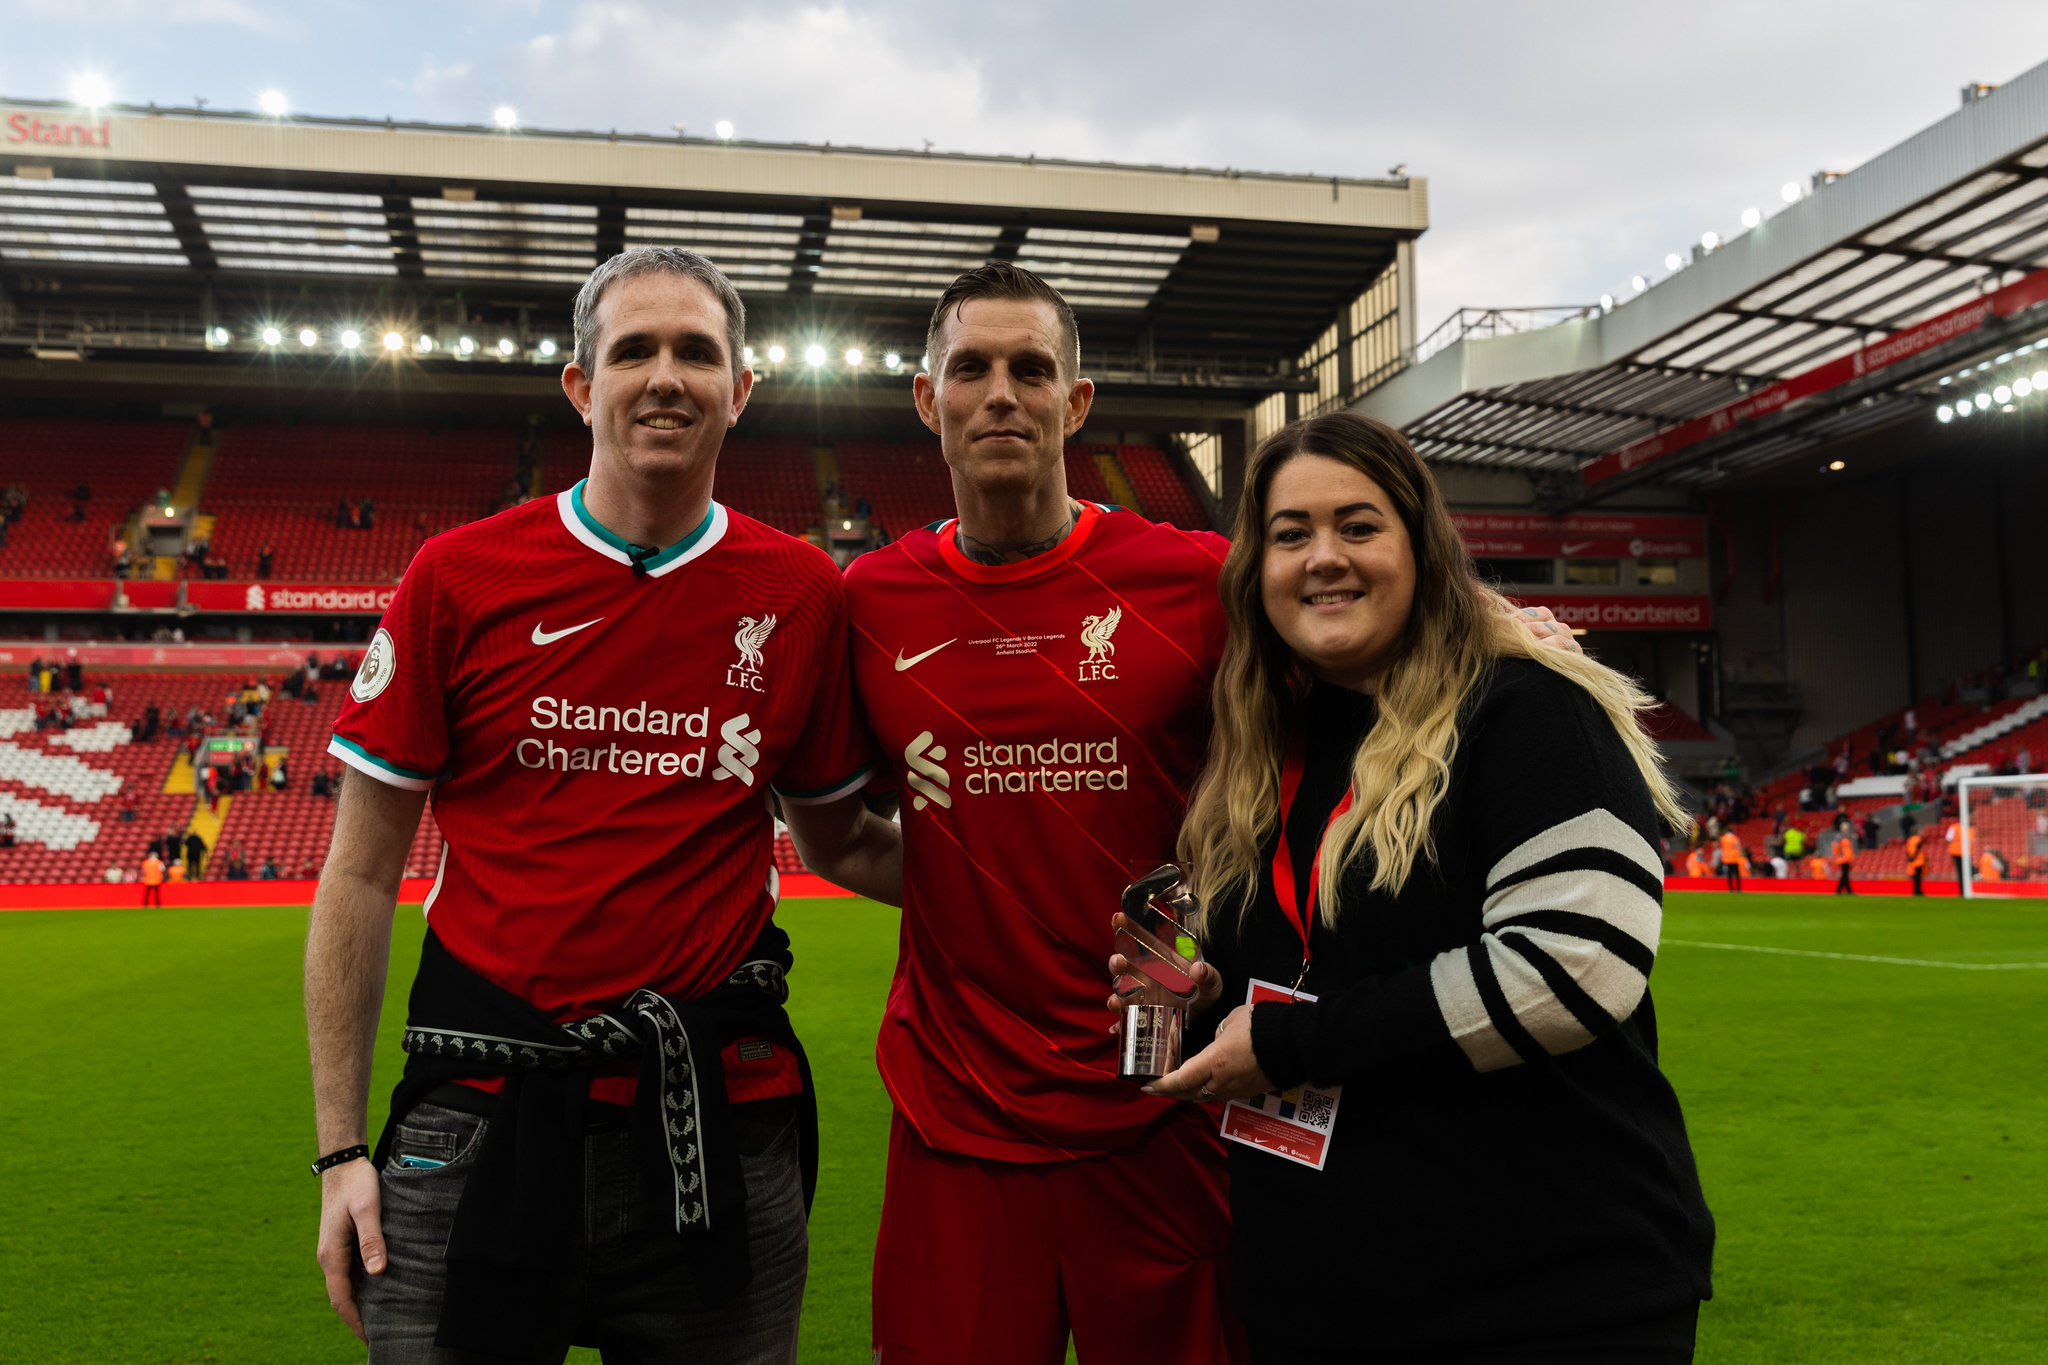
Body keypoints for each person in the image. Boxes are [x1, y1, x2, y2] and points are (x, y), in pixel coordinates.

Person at [844, 264, 1582, 1365]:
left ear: (1075, 403)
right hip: (957, 1115)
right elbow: (837, 831)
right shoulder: (867, 601)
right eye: (971, 369)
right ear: (926, 397)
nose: (1001, 393)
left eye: (1031, 369)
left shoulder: (1194, 580)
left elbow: (1356, 602)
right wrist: (968, 879)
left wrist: (1499, 623)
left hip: (1168, 1094)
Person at [306, 245, 903, 1364]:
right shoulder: (457, 576)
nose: (665, 377)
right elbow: (360, 870)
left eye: (696, 353)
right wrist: (340, 1152)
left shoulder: (800, 593)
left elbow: (842, 840)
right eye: (633, 351)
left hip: (715, 1122)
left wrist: (1043, 878)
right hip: (475, 1115)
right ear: (582, 386)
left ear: (741, 389)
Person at [1132, 411, 1713, 1360]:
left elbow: (1575, 967)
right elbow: (1308, 975)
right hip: (1317, 1296)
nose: (1325, 557)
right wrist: (1206, 1001)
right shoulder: (1259, 752)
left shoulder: (1529, 705)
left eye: (1359, 526)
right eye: (1291, 533)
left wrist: (1283, 1042)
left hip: (1548, 1295)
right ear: (1256, 570)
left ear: (1421, 548)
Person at [1831, 827, 1856, 895]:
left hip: (1847, 859)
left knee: (1845, 875)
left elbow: (1850, 850)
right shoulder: (1839, 837)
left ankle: (1842, 890)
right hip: (1843, 859)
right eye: (1845, 828)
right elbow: (1836, 847)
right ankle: (1845, 890)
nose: (1846, 830)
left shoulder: (1848, 837)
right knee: (1845, 875)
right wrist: (1837, 857)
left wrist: (1851, 858)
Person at [1718, 826, 1744, 892]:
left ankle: (1730, 888)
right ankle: (1738, 888)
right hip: (1735, 858)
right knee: (1736, 873)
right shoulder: (1735, 838)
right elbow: (1738, 847)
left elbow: (1721, 846)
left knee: (1729, 873)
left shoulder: (1723, 838)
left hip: (1726, 858)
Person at [1905, 828, 1927, 897]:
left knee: (1916, 877)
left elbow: (1908, 850)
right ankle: (1917, 891)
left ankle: (1917, 891)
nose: (1922, 832)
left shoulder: (1910, 839)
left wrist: (1909, 858)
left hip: (1914, 860)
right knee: (1917, 877)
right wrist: (1913, 857)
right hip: (1918, 861)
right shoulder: (1917, 839)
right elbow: (1915, 848)